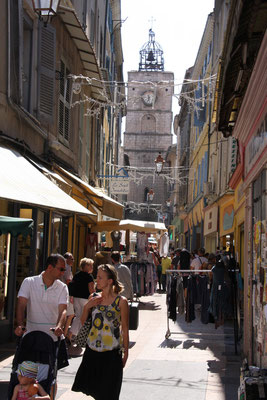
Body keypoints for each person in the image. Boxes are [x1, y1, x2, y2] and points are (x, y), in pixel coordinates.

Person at [72, 264, 129, 400]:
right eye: (97, 276)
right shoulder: (94, 297)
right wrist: (87, 307)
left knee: (109, 394)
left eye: (99, 277)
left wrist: (126, 353)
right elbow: (83, 322)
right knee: (96, 392)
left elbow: (125, 329)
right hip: (92, 352)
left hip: (112, 354)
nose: (96, 280)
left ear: (110, 281)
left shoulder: (121, 302)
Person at [14, 254, 69, 371]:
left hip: (52, 339)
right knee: (27, 375)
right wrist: (20, 324)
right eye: (61, 269)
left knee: (51, 376)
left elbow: (63, 310)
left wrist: (59, 326)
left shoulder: (62, 287)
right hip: (31, 337)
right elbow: (21, 304)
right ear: (50, 267)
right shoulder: (29, 282)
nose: (63, 272)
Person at [67, 258, 95, 343]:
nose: (92, 267)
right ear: (86, 266)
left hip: (76, 298)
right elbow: (91, 290)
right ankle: (77, 336)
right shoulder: (89, 277)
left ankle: (71, 335)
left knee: (78, 317)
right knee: (83, 318)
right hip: (85, 299)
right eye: (91, 265)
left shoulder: (77, 275)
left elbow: (72, 286)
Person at [62, 253, 75, 339]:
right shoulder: (67, 267)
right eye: (72, 259)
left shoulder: (65, 266)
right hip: (67, 292)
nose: (73, 261)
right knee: (70, 315)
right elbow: (68, 281)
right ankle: (64, 334)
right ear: (66, 259)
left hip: (63, 292)